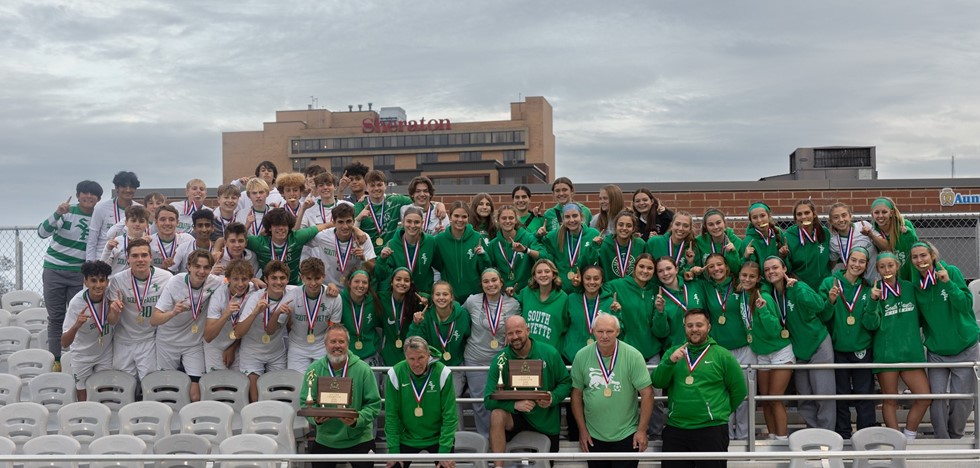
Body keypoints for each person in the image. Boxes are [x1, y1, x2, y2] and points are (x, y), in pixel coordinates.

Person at [652, 308, 747, 468]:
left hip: (711, 430)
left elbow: (739, 391)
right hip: (677, 429)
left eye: (699, 325)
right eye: (690, 325)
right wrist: (670, 362)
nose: (694, 329)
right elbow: (657, 382)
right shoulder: (673, 352)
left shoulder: (722, 355)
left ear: (708, 327)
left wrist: (717, 412)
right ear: (684, 327)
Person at [910, 241, 978, 439]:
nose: (920, 260)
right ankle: (941, 438)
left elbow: (965, 305)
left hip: (964, 346)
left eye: (923, 255)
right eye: (915, 257)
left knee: (961, 400)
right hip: (938, 351)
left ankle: (956, 435)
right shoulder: (916, 285)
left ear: (932, 255)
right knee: (937, 397)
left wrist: (948, 283)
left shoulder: (951, 272)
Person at [485, 316, 571, 467]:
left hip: (545, 420)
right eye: (510, 333)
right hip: (515, 418)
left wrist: (553, 398)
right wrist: (514, 405)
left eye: (518, 332)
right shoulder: (500, 360)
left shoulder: (549, 353)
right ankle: (498, 466)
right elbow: (488, 399)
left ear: (528, 331)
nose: (515, 337)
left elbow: (566, 382)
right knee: (496, 415)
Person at [762, 256, 835, 431]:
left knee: (823, 394)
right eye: (767, 270)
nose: (771, 272)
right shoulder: (771, 295)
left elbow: (819, 306)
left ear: (784, 269)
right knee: (804, 396)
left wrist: (800, 289)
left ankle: (827, 434)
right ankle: (813, 430)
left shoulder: (798, 286)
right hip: (798, 350)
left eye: (775, 268)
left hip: (818, 344)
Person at [571, 313, 653, 468]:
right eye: (600, 331)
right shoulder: (581, 356)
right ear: (593, 331)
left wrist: (642, 430)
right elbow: (576, 395)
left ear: (618, 331)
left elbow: (647, 393)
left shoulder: (633, 356)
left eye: (609, 331)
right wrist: (582, 429)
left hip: (627, 434)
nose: (604, 336)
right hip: (593, 435)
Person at [864, 253, 930, 439]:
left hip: (910, 353)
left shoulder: (909, 288)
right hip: (887, 354)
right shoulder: (875, 291)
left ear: (897, 266)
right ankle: (896, 440)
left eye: (890, 265)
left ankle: (909, 434)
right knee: (890, 400)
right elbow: (870, 325)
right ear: (877, 269)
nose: (887, 270)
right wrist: (873, 301)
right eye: (882, 267)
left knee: (925, 397)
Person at [39, 180, 103, 363]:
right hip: (54, 269)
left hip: (80, 273)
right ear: (77, 195)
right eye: (85, 193)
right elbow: (42, 233)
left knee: (79, 316)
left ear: (98, 199)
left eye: (93, 194)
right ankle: (56, 360)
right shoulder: (66, 212)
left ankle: (77, 358)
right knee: (56, 317)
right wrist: (57, 213)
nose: (89, 196)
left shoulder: (99, 216)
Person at [301, 324, 382, 468]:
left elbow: (374, 404)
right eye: (333, 341)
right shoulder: (313, 370)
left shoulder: (363, 369)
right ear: (325, 344)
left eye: (341, 341)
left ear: (348, 344)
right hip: (325, 439)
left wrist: (357, 420)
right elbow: (305, 402)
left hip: (359, 438)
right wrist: (315, 418)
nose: (337, 346)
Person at [152, 249, 224, 401]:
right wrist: (173, 312)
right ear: (189, 266)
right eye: (197, 266)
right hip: (168, 342)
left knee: (196, 390)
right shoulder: (175, 281)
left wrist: (255, 281)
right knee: (168, 388)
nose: (201, 271)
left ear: (211, 269)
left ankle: (193, 421)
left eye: (206, 268)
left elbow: (237, 281)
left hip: (193, 343)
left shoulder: (214, 281)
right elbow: (154, 319)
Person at [819, 246, 875, 439]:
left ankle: (866, 433)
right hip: (837, 347)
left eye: (862, 262)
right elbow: (823, 317)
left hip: (862, 347)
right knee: (840, 394)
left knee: (863, 393)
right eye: (854, 260)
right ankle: (842, 433)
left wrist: (874, 302)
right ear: (846, 260)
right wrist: (831, 302)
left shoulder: (868, 288)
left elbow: (872, 323)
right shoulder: (829, 283)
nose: (857, 265)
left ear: (866, 265)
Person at [697, 253, 753, 440]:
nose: (716, 269)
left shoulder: (740, 285)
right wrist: (692, 271)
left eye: (719, 264)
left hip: (744, 348)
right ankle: (725, 436)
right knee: (722, 395)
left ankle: (745, 437)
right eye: (710, 266)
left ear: (727, 266)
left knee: (744, 395)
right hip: (719, 351)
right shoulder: (706, 287)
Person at [736, 261, 792, 440]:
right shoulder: (742, 296)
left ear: (758, 278)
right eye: (744, 275)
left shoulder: (764, 297)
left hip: (780, 351)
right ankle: (772, 436)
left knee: (775, 398)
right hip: (762, 353)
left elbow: (774, 330)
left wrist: (763, 311)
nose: (747, 279)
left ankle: (783, 439)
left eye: (751, 276)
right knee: (765, 400)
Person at [463, 269, 521, 436]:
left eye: (494, 280)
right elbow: (457, 316)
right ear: (481, 284)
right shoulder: (472, 301)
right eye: (486, 281)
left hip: (502, 361)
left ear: (501, 282)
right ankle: (485, 439)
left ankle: (501, 439)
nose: (491, 284)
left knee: (502, 401)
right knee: (480, 403)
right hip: (476, 359)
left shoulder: (513, 303)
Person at [384, 336, 458, 468]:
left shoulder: (443, 373)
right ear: (405, 357)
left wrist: (445, 450)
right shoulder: (395, 374)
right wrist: (393, 450)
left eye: (421, 358)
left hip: (438, 437)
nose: (416, 363)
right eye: (411, 359)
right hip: (406, 437)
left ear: (428, 355)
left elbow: (450, 415)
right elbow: (391, 415)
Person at [107, 238, 173, 380]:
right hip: (123, 340)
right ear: (128, 259)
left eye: (144, 255)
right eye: (135, 256)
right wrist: (114, 311)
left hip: (150, 340)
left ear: (151, 258)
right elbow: (112, 321)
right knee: (123, 385)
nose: (140, 260)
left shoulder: (166, 278)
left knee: (149, 383)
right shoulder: (118, 280)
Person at [235, 261, 296, 401]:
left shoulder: (292, 294)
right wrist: (255, 312)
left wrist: (331, 286)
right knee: (255, 399)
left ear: (287, 279)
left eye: (282, 278)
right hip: (252, 352)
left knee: (278, 396)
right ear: (266, 279)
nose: (278, 282)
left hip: (276, 352)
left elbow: (271, 330)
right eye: (274, 278)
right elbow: (238, 332)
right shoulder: (255, 298)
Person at [62, 261, 122, 400]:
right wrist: (77, 325)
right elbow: (64, 343)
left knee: (105, 390)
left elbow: (112, 321)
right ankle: (84, 418)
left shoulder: (110, 295)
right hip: (82, 355)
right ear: (86, 282)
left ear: (107, 282)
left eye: (102, 280)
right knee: (82, 392)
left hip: (104, 352)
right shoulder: (77, 303)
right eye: (93, 281)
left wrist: (116, 311)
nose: (98, 285)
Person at [408, 281, 471, 394]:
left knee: (454, 403)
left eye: (445, 294)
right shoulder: (425, 316)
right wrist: (415, 324)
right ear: (432, 297)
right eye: (437, 294)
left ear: (451, 297)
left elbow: (468, 336)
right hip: (432, 368)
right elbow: (413, 343)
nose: (441, 298)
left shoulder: (462, 315)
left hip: (455, 368)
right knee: (434, 405)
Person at [284, 258, 343, 372]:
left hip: (321, 346)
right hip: (297, 346)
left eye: (317, 278)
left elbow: (333, 329)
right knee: (298, 385)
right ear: (302, 278)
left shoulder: (334, 297)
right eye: (309, 278)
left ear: (323, 276)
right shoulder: (292, 296)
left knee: (321, 383)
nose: (313, 283)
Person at [305, 204, 376, 292]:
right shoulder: (323, 236)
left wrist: (363, 259)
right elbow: (298, 237)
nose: (345, 226)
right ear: (334, 223)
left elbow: (373, 269)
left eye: (349, 221)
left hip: (352, 289)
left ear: (354, 221)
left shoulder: (362, 238)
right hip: (328, 287)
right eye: (340, 222)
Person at [247, 207, 327, 285]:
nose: (281, 228)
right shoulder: (259, 242)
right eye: (276, 225)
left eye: (284, 225)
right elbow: (237, 240)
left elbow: (323, 226)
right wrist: (247, 225)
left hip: (293, 286)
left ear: (289, 227)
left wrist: (334, 224)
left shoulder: (297, 237)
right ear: (270, 228)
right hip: (267, 287)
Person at [203, 259, 255, 372]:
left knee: (239, 385)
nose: (240, 284)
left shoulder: (254, 291)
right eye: (236, 279)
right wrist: (226, 314)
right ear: (228, 279)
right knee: (217, 386)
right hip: (215, 345)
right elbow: (208, 336)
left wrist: (233, 347)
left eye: (244, 279)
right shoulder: (218, 296)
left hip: (238, 345)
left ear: (250, 279)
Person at [433, 201, 490, 303]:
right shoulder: (440, 240)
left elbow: (486, 267)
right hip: (450, 297)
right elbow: (438, 264)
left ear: (468, 218)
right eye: (456, 216)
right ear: (450, 217)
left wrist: (483, 256)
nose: (460, 220)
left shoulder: (477, 238)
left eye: (464, 217)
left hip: (475, 296)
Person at [538, 204, 599, 294]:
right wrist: (538, 235)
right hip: (560, 290)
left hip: (584, 290)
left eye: (575, 216)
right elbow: (535, 243)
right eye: (567, 217)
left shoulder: (593, 234)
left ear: (582, 217)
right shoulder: (555, 235)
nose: (571, 220)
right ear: (563, 220)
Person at [376, 207, 435, 295]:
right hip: (399, 295)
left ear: (422, 223)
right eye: (409, 221)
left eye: (417, 222)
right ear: (403, 222)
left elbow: (440, 265)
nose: (412, 225)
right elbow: (381, 275)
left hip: (422, 296)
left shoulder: (430, 242)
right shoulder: (392, 245)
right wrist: (382, 259)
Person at [516, 259, 569, 351]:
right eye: (539, 272)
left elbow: (566, 325)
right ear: (535, 277)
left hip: (551, 352)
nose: (543, 275)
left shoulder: (563, 298)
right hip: (527, 352)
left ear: (554, 275)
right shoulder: (526, 293)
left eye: (547, 271)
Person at [86, 171, 140, 261]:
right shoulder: (101, 208)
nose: (128, 190)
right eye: (124, 186)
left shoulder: (139, 209)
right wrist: (90, 263)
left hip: (127, 261)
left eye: (131, 187)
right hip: (103, 259)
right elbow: (92, 240)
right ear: (116, 188)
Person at [378, 268, 427, 366]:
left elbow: (431, 298)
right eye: (398, 279)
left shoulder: (415, 300)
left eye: (406, 280)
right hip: (389, 351)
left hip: (408, 351)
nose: (402, 283)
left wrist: (427, 300)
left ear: (411, 283)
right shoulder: (382, 298)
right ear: (391, 282)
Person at [490, 205, 541, 297]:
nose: (507, 221)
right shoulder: (493, 244)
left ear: (516, 220)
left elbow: (544, 256)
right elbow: (489, 269)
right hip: (503, 294)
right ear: (498, 220)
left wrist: (526, 250)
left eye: (511, 218)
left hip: (527, 293)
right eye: (504, 218)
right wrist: (503, 288)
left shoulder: (528, 237)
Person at [353, 170, 413, 246]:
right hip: (369, 255)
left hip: (390, 253)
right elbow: (349, 232)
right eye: (372, 185)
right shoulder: (360, 206)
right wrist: (358, 219)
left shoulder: (395, 200)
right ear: (366, 188)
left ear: (385, 186)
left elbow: (417, 200)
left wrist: (432, 204)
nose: (376, 188)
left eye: (379, 185)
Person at [784, 200, 831, 290]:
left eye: (807, 213)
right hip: (803, 289)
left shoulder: (825, 233)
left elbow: (831, 260)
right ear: (795, 218)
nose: (803, 217)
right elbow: (787, 268)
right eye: (799, 214)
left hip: (825, 288)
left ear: (814, 214)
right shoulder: (788, 237)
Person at [867, 197, 919, 280]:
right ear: (872, 214)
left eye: (884, 212)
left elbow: (917, 247)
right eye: (876, 212)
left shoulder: (904, 225)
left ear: (891, 213)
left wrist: (909, 234)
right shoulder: (873, 231)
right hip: (888, 275)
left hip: (909, 271)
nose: (880, 216)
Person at [827, 202, 879, 283]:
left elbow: (886, 247)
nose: (841, 220)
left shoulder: (864, 226)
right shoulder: (834, 242)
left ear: (850, 216)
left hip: (876, 281)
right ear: (831, 221)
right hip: (856, 286)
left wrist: (870, 235)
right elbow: (830, 265)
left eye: (844, 215)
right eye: (836, 217)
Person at [593, 210, 644, 281]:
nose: (624, 228)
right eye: (621, 225)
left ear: (633, 229)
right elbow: (592, 266)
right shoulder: (604, 244)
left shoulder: (640, 245)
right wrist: (594, 247)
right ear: (615, 226)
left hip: (633, 289)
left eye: (629, 226)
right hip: (610, 289)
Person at [100, 205, 150, 275]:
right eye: (133, 221)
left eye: (141, 221)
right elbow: (101, 267)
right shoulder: (116, 242)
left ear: (147, 224)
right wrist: (108, 249)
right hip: (117, 284)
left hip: (140, 284)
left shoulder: (150, 242)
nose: (137, 224)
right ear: (126, 223)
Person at [692, 209, 741, 275]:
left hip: (730, 283)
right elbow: (696, 267)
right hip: (707, 283)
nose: (715, 227)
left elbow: (737, 270)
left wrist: (733, 254)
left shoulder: (736, 241)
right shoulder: (699, 242)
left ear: (724, 223)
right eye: (711, 224)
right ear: (705, 227)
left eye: (718, 223)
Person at [740, 202, 787, 267]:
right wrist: (746, 258)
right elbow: (746, 269)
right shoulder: (747, 241)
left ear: (769, 216)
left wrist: (783, 256)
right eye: (754, 217)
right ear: (751, 221)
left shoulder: (778, 232)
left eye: (762, 216)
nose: (759, 220)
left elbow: (786, 263)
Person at [149, 205, 194, 271]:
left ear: (177, 222)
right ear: (156, 222)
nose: (167, 223)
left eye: (171, 219)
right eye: (163, 219)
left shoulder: (188, 240)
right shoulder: (149, 242)